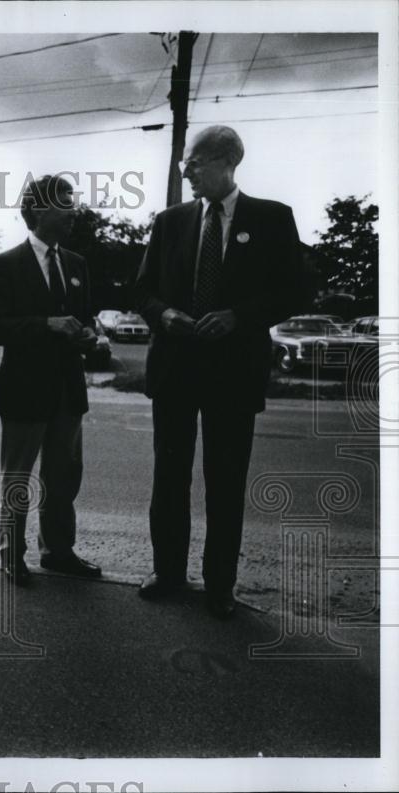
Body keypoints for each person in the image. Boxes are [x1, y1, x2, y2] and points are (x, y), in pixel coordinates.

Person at [133, 125, 312, 619]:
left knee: (226, 481)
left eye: (191, 162)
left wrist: (240, 316)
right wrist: (164, 315)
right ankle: (168, 572)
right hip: (174, 369)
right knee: (169, 477)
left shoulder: (272, 218)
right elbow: (142, 290)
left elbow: (295, 291)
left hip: (233, 372)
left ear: (223, 162)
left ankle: (220, 587)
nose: (183, 170)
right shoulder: (169, 221)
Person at [0, 174, 102, 586]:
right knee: (18, 479)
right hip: (24, 390)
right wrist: (47, 324)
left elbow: (84, 322)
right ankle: (11, 554)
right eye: (65, 204)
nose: (73, 212)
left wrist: (87, 336)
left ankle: (59, 552)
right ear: (40, 211)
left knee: (63, 478)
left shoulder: (78, 263)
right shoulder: (6, 263)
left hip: (68, 390)